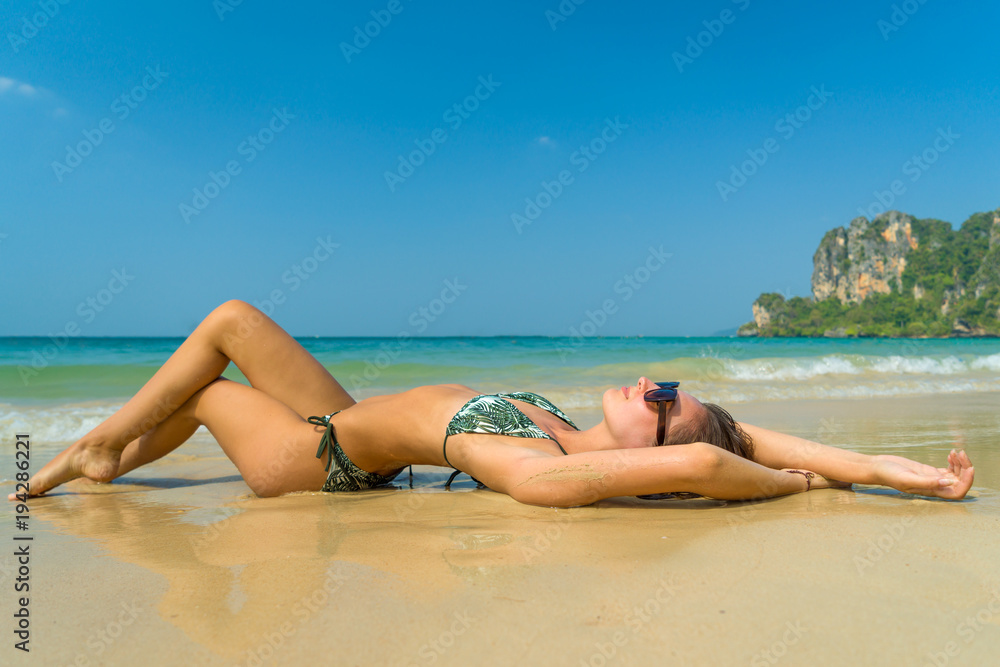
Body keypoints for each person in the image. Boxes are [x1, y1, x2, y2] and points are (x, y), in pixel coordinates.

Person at [10, 300, 975, 505]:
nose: (656, 385)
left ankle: (76, 456)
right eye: (669, 388)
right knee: (236, 322)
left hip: (315, 460)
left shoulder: (542, 466)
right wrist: (919, 476)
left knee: (218, 359)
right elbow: (769, 439)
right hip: (348, 419)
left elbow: (704, 460)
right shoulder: (567, 424)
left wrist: (783, 488)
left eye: (666, 401)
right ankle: (107, 458)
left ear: (649, 451)